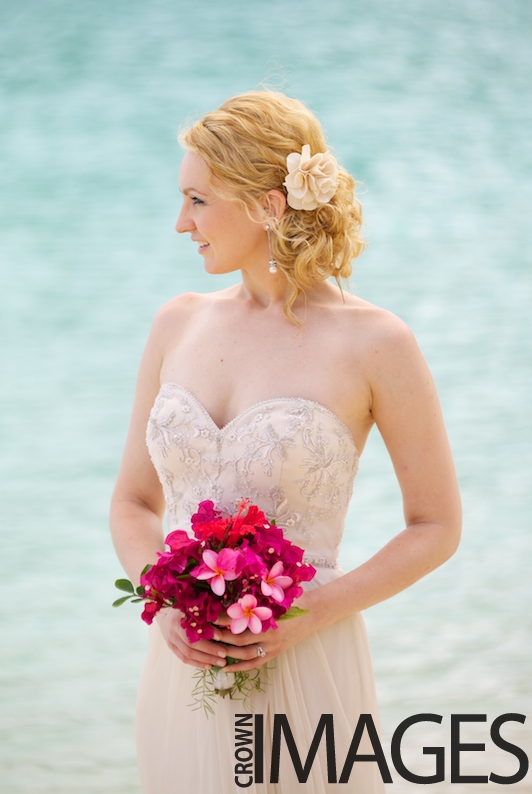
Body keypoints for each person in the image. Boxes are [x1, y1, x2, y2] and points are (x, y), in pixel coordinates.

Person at [110, 90, 461, 794]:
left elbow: (436, 526)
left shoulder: (378, 343)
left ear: (269, 204)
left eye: (199, 201)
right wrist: (169, 602)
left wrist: (307, 614)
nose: (182, 224)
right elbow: (133, 502)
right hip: (182, 668)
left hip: (308, 659)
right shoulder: (175, 324)